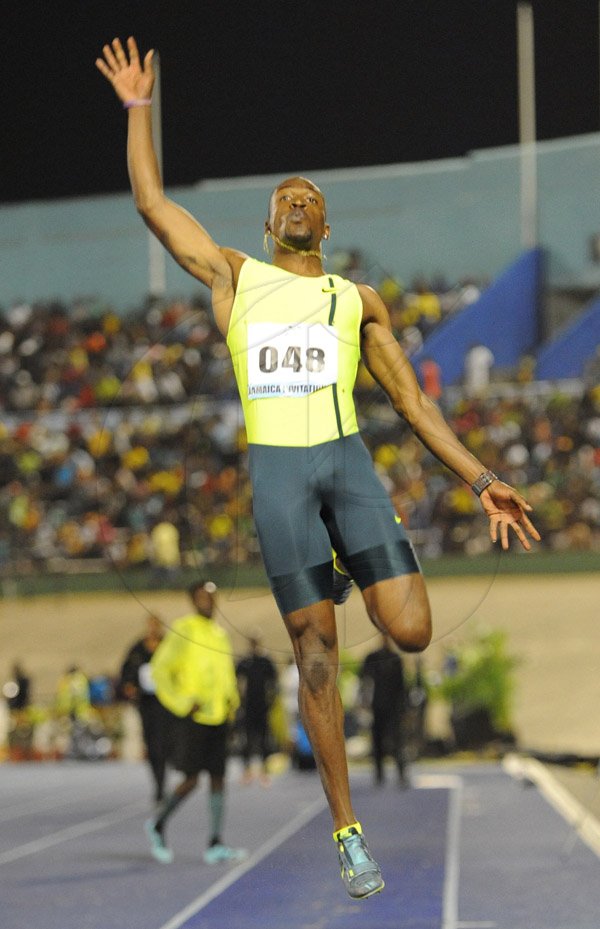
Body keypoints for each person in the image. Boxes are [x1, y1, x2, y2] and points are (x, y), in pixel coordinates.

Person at [96, 37, 541, 899]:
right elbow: (152, 202)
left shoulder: (356, 301)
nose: (297, 201)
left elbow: (415, 406)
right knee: (317, 656)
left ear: (326, 227)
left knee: (410, 629)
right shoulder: (234, 278)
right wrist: (139, 108)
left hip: (344, 462)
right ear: (271, 223)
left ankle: (350, 563)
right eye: (284, 197)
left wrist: (482, 477)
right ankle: (348, 831)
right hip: (280, 478)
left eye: (311, 198)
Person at [145, 580, 245, 865]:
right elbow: (160, 670)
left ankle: (215, 842)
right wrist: (181, 703)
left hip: (218, 718)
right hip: (194, 718)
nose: (207, 601)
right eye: (201, 596)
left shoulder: (220, 634)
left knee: (218, 779)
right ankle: (158, 823)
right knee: (190, 780)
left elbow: (226, 673)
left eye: (211, 596)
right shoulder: (183, 630)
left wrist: (232, 703)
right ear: (192, 599)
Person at [118, 613, 173, 804]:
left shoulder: (169, 645)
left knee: (164, 744)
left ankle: (163, 780)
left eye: (156, 625)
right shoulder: (137, 648)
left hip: (167, 703)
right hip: (147, 703)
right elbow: (125, 673)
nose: (153, 629)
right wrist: (129, 686)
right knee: (152, 745)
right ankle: (158, 785)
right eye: (150, 625)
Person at [360, 634, 409, 787]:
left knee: (397, 741)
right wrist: (364, 702)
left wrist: (405, 709)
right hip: (377, 707)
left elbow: (402, 686)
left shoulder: (396, 659)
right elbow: (363, 680)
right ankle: (379, 774)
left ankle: (401, 774)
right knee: (378, 742)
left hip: (394, 708)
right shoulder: (372, 658)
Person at [236, 634, 278, 785]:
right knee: (246, 739)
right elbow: (237, 680)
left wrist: (270, 701)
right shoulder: (245, 662)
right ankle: (247, 771)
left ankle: (264, 771)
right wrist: (239, 701)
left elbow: (273, 682)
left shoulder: (265, 662)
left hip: (262, 706)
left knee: (264, 739)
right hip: (247, 706)